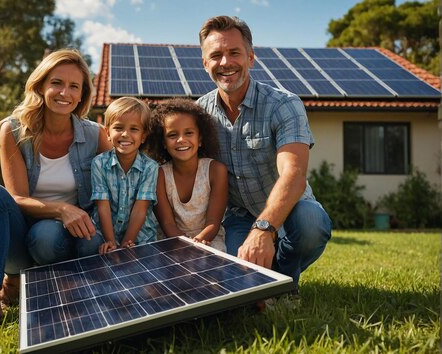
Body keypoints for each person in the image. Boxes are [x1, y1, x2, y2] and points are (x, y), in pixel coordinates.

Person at [0, 49, 112, 339]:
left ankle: (31, 284)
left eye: (74, 86)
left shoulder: (96, 134)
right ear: (41, 85)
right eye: (56, 83)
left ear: (83, 94)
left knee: (49, 236)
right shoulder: (13, 130)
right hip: (23, 236)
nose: (65, 92)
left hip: (72, 238)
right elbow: (17, 197)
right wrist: (61, 209)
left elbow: (118, 184)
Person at [196, 16, 332, 290]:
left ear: (251, 57)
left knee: (311, 223)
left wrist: (264, 229)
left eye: (234, 52)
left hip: (292, 209)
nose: (225, 63)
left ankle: (283, 282)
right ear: (205, 63)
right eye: (216, 55)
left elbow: (293, 173)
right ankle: (264, 284)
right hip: (238, 216)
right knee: (238, 280)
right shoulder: (200, 114)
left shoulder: (284, 104)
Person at [80, 97, 159, 255]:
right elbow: (103, 206)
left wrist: (126, 243)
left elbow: (140, 209)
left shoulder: (150, 167)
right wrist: (110, 241)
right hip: (105, 232)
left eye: (134, 129)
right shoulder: (99, 163)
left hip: (140, 235)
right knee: (89, 247)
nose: (125, 134)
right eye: (118, 128)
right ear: (107, 132)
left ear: (143, 136)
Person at [147, 98, 228, 252]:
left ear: (200, 139)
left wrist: (199, 242)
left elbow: (213, 221)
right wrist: (187, 245)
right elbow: (168, 225)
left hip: (209, 239)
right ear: (163, 142)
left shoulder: (216, 171)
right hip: (171, 240)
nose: (181, 140)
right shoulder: (159, 174)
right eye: (172, 135)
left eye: (189, 133)